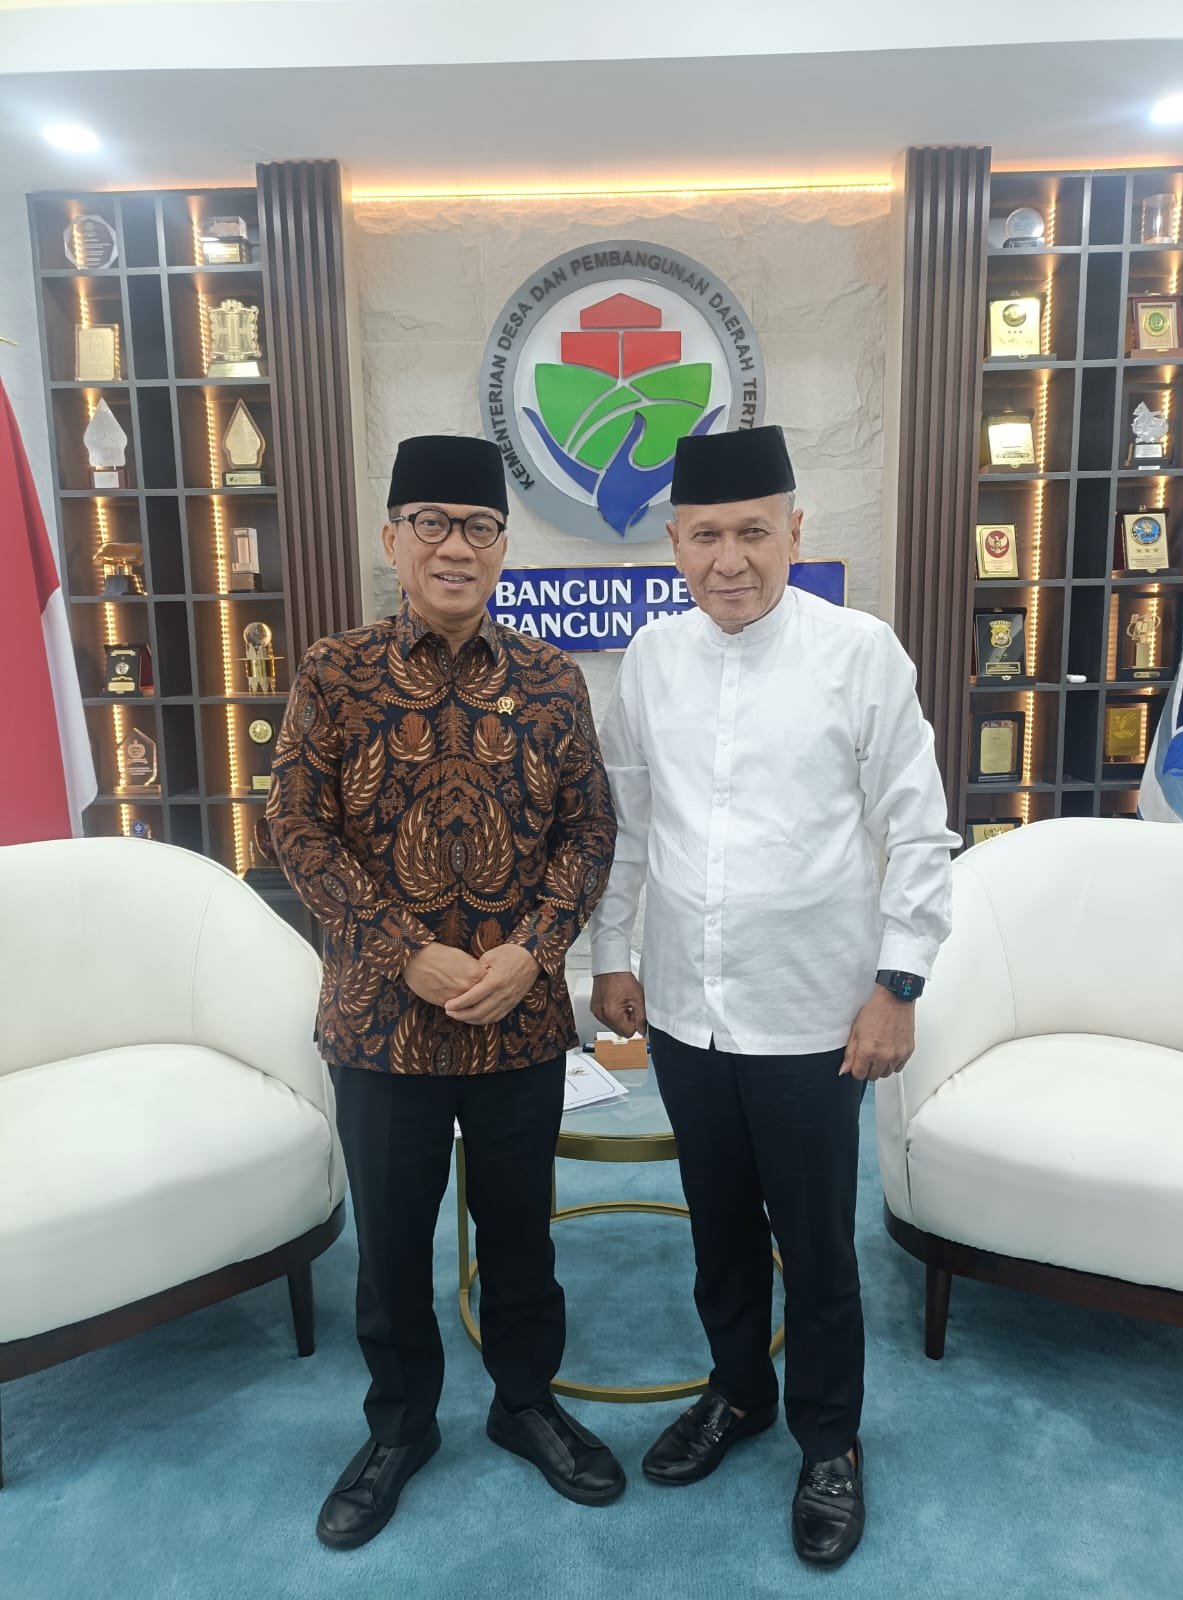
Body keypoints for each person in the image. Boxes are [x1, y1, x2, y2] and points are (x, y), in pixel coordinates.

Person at [589, 425, 958, 1567]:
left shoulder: (860, 652)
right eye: (706, 536)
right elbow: (630, 825)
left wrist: (898, 985)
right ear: (673, 543)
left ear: (795, 530)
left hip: (813, 1017)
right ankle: (739, 1392)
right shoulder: (650, 657)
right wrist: (610, 955)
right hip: (686, 1012)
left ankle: (830, 1442)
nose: (730, 559)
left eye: (753, 532)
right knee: (717, 1234)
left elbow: (919, 831)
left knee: (817, 1247)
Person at [262, 434, 623, 1551]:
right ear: (393, 539)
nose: (454, 546)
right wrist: (400, 948)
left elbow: (590, 830)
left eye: (476, 527)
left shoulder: (552, 678)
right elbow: (295, 828)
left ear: (503, 547)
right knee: (391, 1248)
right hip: (382, 1027)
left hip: (519, 1023)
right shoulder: (335, 672)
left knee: (522, 1237)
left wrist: (535, 951)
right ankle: (399, 1427)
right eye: (431, 523)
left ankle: (525, 1403)